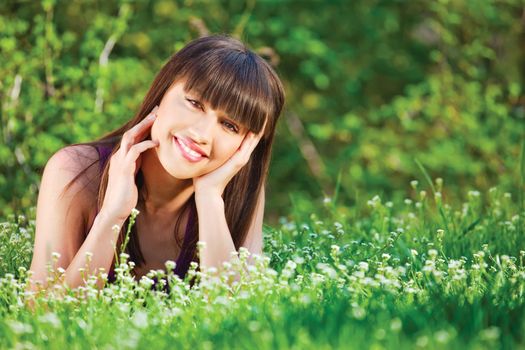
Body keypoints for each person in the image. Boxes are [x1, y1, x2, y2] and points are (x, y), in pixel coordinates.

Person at [27, 34, 285, 291]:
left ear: (248, 144)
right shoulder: (76, 171)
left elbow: (242, 321)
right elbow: (42, 314)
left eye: (229, 125)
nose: (202, 134)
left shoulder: (240, 192)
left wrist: (209, 199)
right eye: (195, 103)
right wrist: (111, 216)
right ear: (163, 91)